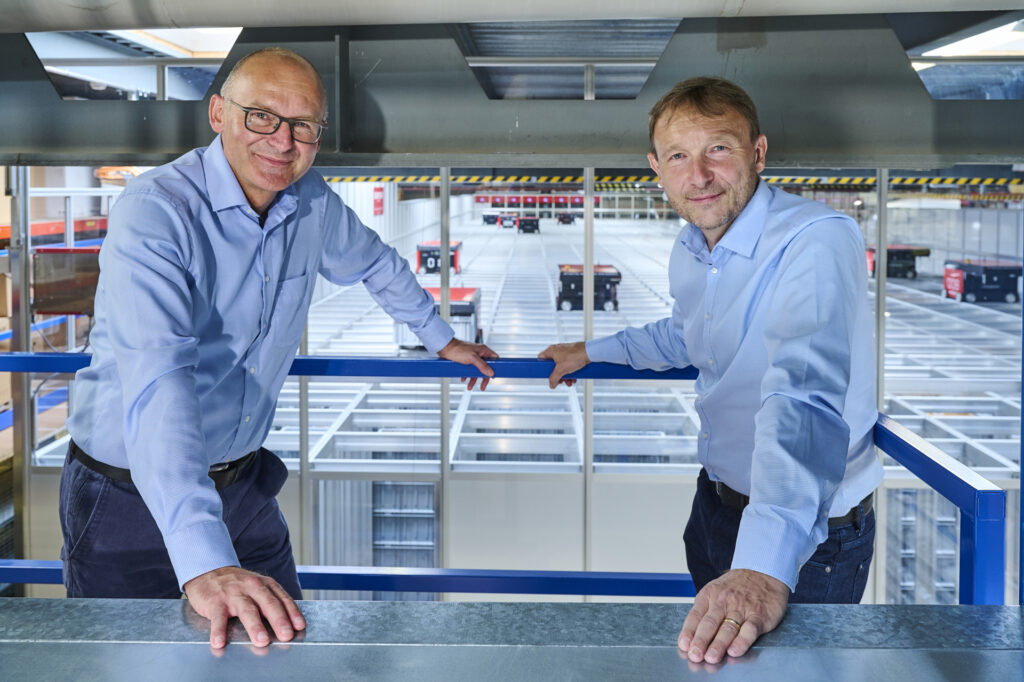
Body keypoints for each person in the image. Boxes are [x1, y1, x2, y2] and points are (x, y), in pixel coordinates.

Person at [60, 47, 497, 649]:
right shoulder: (158, 212)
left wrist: (440, 337)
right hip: (126, 496)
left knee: (284, 648)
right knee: (132, 661)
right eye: (261, 116)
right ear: (218, 113)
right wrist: (204, 561)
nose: (283, 142)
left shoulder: (310, 202)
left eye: (304, 127)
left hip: (241, 485)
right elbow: (159, 383)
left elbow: (375, 262)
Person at [539, 76, 882, 664]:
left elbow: (801, 395)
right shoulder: (693, 249)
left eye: (717, 150)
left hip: (804, 538)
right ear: (656, 166)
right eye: (679, 156)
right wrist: (591, 352)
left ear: (758, 152)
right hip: (716, 507)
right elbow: (689, 335)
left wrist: (761, 566)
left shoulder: (815, 240)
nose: (698, 175)